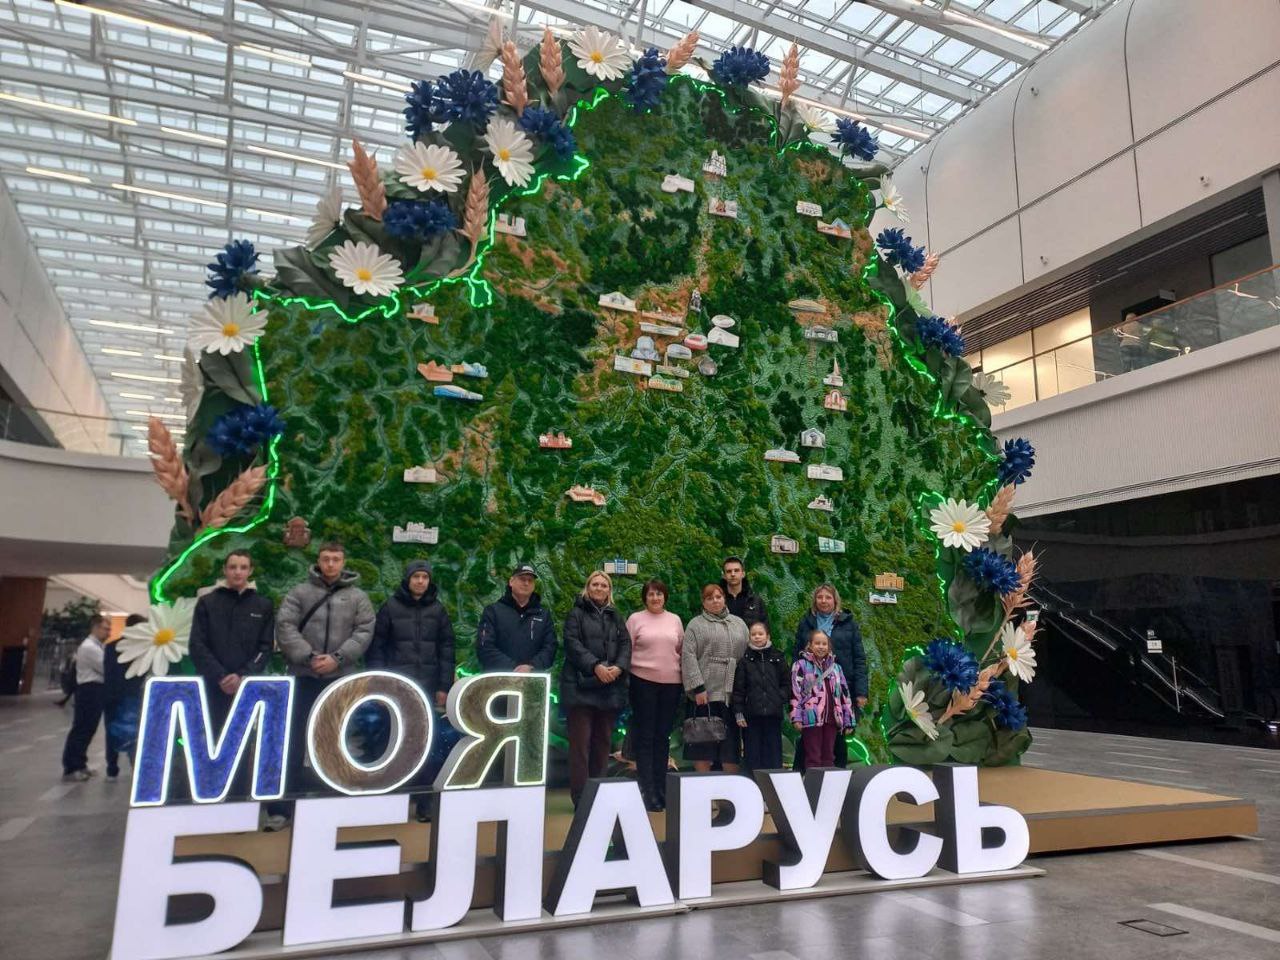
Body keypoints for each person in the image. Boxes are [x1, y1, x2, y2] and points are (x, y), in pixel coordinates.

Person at [272, 541, 375, 829]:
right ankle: (283, 806)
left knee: (335, 741)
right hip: (303, 677)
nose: (330, 564)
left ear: (343, 562)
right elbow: (285, 626)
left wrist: (338, 658)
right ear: (318, 561)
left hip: (339, 680)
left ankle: (332, 802)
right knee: (293, 741)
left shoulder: (357, 597)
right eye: (326, 558)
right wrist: (308, 657)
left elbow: (364, 630)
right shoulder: (299, 592)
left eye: (336, 559)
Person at [559, 571, 631, 808]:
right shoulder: (576, 614)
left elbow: (625, 644)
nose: (599, 588)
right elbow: (572, 644)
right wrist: (595, 666)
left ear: (609, 590)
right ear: (588, 588)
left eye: (604, 585)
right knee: (580, 747)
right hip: (580, 690)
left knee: (602, 746)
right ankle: (581, 800)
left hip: (609, 689)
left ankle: (599, 796)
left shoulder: (616, 616)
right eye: (595, 584)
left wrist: (619, 668)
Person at [188, 551, 276, 734]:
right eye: (232, 567)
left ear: (250, 571)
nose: (238, 572)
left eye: (243, 567)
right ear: (224, 570)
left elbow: (265, 647)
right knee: (210, 735)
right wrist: (221, 676)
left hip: (246, 684)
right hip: (211, 685)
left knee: (243, 736)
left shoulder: (263, 605)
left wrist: (242, 675)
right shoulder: (207, 602)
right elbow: (197, 644)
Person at [793, 583, 868, 767]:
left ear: (835, 600)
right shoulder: (806, 622)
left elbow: (859, 658)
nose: (824, 601)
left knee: (837, 741)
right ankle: (805, 777)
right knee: (809, 743)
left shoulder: (848, 623)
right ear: (815, 600)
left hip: (839, 690)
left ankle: (836, 776)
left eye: (828, 597)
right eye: (820, 597)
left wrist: (861, 692)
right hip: (812, 696)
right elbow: (796, 654)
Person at [625, 579, 684, 812]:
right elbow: (626, 650)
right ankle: (647, 790)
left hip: (671, 684)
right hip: (642, 683)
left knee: (662, 737)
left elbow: (680, 649)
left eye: (659, 594)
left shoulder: (675, 620)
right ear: (645, 598)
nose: (655, 598)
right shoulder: (635, 619)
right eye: (651, 594)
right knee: (646, 737)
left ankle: (661, 788)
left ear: (665, 597)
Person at [367, 560, 455, 708]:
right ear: (408, 579)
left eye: (425, 577)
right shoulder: (390, 608)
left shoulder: (438, 610)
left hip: (428, 686)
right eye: (416, 576)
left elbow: (447, 650)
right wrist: (379, 682)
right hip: (395, 684)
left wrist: (444, 687)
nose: (420, 581)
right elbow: (376, 649)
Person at [682, 583, 750, 773]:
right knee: (702, 746)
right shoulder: (695, 625)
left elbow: (747, 655)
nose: (715, 601)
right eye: (709, 598)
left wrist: (745, 688)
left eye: (718, 597)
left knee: (730, 748)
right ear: (703, 602)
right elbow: (688, 656)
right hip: (705, 694)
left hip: (732, 694)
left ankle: (728, 789)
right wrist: (698, 687)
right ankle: (704, 787)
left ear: (724, 599)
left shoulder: (739, 624)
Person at [790, 630, 855, 770]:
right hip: (811, 718)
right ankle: (813, 783)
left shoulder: (836, 668)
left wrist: (849, 719)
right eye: (817, 643)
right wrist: (796, 717)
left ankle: (827, 783)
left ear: (829, 646)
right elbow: (795, 693)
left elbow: (844, 694)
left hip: (832, 718)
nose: (821, 647)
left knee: (829, 756)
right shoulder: (800, 665)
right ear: (810, 645)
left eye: (824, 644)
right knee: (813, 757)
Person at [476, 563, 557, 674]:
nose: (526, 583)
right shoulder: (493, 611)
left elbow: (550, 647)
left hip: (532, 678)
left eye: (530, 580)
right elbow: (484, 646)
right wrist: (513, 668)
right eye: (522, 579)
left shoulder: (543, 615)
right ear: (511, 582)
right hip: (499, 678)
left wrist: (532, 667)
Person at [732, 621, 790, 772]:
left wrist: (779, 698)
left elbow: (787, 683)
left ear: (768, 636)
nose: (757, 637)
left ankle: (774, 783)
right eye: (753, 634)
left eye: (760, 634)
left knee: (773, 753)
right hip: (752, 715)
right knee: (753, 754)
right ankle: (753, 782)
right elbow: (739, 690)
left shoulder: (778, 658)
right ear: (749, 637)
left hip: (773, 715)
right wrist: (739, 712)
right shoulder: (745, 661)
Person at [61, 614, 110, 781]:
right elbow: (105, 668)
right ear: (95, 628)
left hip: (95, 690)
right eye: (105, 629)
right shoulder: (90, 647)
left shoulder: (97, 646)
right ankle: (72, 766)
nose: (108, 632)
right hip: (89, 690)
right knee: (82, 728)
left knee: (89, 728)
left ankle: (80, 763)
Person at [103, 613, 147, 782]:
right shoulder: (143, 648)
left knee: (111, 732)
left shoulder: (111, 647)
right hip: (132, 695)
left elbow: (108, 672)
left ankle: (111, 769)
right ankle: (135, 766)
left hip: (112, 695)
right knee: (134, 731)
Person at [721, 556, 769, 628]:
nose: (733, 574)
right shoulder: (716, 601)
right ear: (724, 576)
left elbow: (765, 629)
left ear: (743, 574)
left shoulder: (756, 601)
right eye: (729, 571)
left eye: (736, 570)